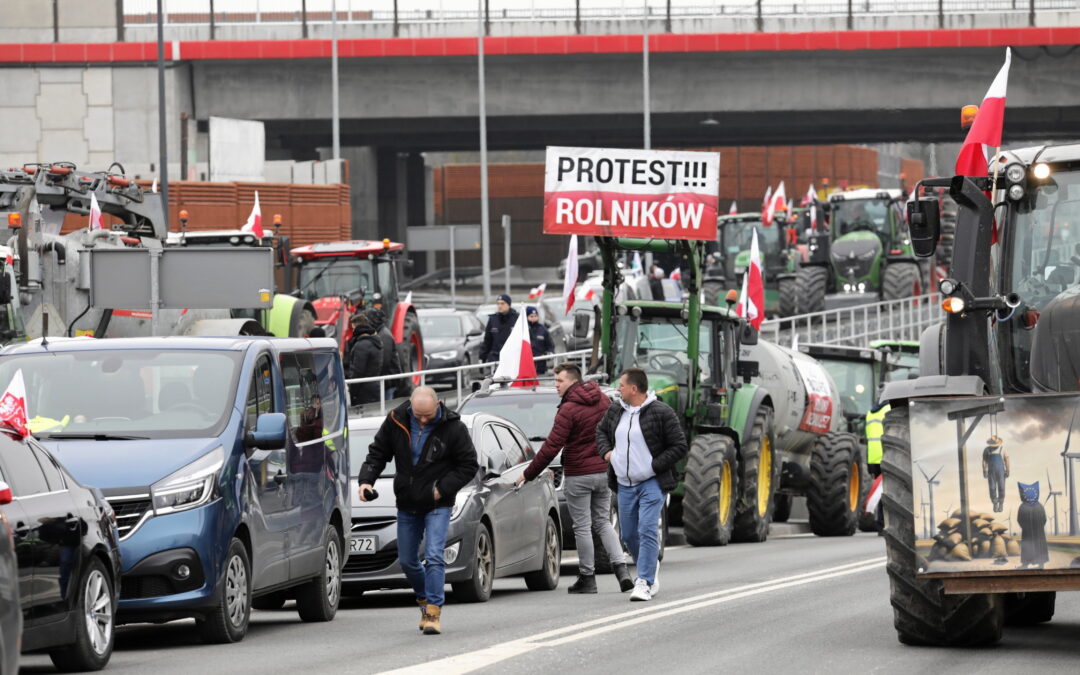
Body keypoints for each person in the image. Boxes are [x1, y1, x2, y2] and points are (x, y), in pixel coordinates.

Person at [357, 387, 479, 635]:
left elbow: (468, 465)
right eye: (418, 415)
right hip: (407, 502)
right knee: (408, 561)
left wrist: (441, 489)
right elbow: (378, 452)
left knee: (434, 555)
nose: (423, 420)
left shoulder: (453, 427)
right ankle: (425, 600)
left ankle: (433, 611)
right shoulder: (396, 420)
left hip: (437, 503)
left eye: (428, 415)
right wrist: (366, 480)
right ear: (410, 405)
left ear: (438, 404)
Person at [515, 363, 633, 594]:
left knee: (582, 526)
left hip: (579, 474)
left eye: (559, 381)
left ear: (572, 381)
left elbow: (551, 447)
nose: (556, 386)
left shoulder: (569, 409)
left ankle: (587, 578)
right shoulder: (601, 399)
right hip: (603, 471)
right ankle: (622, 572)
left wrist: (527, 474)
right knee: (603, 522)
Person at [596, 368, 688, 602]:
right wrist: (607, 453)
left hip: (651, 482)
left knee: (647, 529)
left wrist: (654, 466)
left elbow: (679, 446)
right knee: (628, 535)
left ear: (634, 389)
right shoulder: (616, 410)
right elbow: (601, 432)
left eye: (622, 386)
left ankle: (644, 581)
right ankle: (650, 566)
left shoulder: (661, 412)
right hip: (624, 484)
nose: (618, 389)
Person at [367, 307, 404, 398]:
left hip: (387, 382)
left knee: (384, 407)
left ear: (373, 320)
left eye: (367, 320)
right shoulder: (381, 333)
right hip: (386, 381)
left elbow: (384, 362)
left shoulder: (384, 336)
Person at [865, 401, 891, 532]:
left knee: (880, 492)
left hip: (873, 457)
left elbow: (869, 437)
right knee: (887, 492)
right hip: (886, 454)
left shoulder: (870, 412)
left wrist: (870, 465)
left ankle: (880, 523)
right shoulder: (889, 409)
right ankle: (882, 524)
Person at [346, 312, 383, 406]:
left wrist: (352, 392)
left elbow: (357, 372)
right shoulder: (376, 341)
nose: (353, 331)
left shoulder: (361, 345)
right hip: (375, 389)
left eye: (353, 328)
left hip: (363, 393)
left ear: (358, 328)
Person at [480, 294, 519, 363]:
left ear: (508, 305)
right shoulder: (493, 320)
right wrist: (482, 357)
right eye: (498, 304)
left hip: (512, 359)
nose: (500, 306)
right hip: (495, 358)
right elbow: (487, 341)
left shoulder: (517, 319)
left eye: (502, 303)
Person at [982, 435, 1010, 513]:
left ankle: (1001, 503)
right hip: (991, 472)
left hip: (1001, 472)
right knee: (992, 487)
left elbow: (1006, 459)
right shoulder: (987, 450)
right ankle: (995, 503)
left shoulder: (1002, 449)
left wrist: (1008, 470)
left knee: (1001, 487)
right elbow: (984, 461)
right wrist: (984, 470)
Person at [525, 306, 556, 375]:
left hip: (541, 366)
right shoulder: (522, 330)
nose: (534, 318)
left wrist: (550, 353)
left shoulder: (543, 330)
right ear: (527, 317)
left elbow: (550, 346)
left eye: (535, 316)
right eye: (531, 316)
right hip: (526, 365)